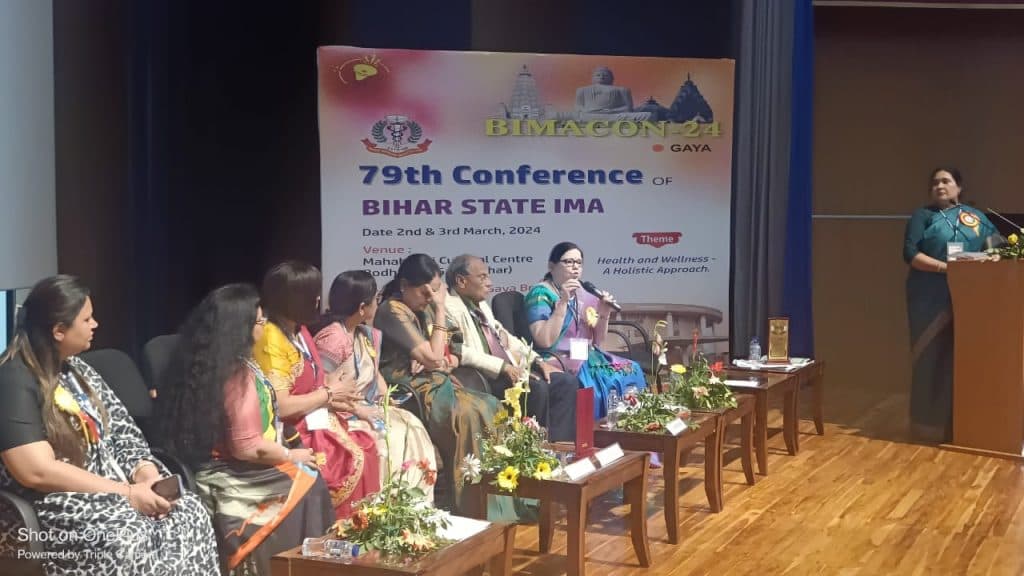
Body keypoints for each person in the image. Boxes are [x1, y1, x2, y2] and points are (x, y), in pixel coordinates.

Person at [0, 275, 218, 575]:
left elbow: (123, 434)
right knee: (125, 535)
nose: (95, 324)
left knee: (189, 512)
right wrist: (126, 493)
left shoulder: (78, 369)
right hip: (51, 507)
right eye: (86, 319)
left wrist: (145, 474)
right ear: (59, 330)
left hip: (110, 491)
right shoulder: (13, 379)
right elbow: (36, 471)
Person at [158, 283, 334, 575]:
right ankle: (295, 567)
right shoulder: (236, 374)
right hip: (231, 473)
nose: (264, 328)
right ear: (240, 329)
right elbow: (247, 447)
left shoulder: (202, 361)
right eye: (260, 322)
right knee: (309, 482)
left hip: (214, 463)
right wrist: (291, 456)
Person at [372, 254, 499, 512]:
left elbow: (451, 348)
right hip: (406, 386)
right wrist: (440, 312)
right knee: (466, 414)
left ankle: (490, 495)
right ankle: (467, 502)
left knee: (491, 405)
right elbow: (431, 357)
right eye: (425, 292)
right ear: (404, 285)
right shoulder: (392, 310)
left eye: (436, 291)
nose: (431, 298)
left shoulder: (424, 305)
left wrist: (446, 359)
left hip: (433, 379)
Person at [252, 261, 379, 518]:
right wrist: (329, 395)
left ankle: (366, 526)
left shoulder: (299, 330)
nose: (319, 300)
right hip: (289, 430)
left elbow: (320, 382)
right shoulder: (271, 337)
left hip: (315, 417)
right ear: (295, 299)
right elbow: (281, 406)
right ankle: (340, 531)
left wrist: (345, 401)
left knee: (368, 442)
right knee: (354, 457)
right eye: (313, 294)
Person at [313, 271, 437, 500]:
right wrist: (360, 410)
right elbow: (320, 390)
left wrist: (385, 397)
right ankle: (385, 505)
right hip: (338, 415)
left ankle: (411, 505)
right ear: (362, 308)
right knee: (392, 437)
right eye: (375, 300)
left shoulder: (364, 334)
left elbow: (374, 372)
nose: (377, 305)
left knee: (410, 425)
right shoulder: (333, 339)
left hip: (365, 407)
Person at [903, 168, 998, 442]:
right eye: (934, 182)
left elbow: (997, 248)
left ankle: (965, 426)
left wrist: (990, 261)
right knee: (931, 357)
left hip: (971, 296)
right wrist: (947, 269)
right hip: (928, 296)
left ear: (959, 187)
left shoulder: (976, 217)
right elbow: (910, 254)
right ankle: (928, 427)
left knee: (965, 358)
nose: (939, 186)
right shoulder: (923, 216)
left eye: (946, 181)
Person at [445, 254, 578, 442]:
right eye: (482, 277)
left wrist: (537, 361)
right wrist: (503, 367)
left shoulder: (481, 305)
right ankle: (534, 447)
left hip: (509, 368)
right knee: (536, 389)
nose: (489, 283)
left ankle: (560, 446)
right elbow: (460, 350)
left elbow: (507, 338)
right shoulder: (448, 306)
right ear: (461, 281)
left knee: (566, 382)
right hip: (484, 376)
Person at [525, 242, 648, 419]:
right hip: (556, 357)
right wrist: (563, 303)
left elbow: (598, 340)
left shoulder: (584, 293)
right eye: (568, 262)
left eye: (579, 262)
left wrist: (604, 312)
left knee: (631, 369)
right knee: (599, 382)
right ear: (551, 266)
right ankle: (595, 430)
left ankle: (627, 426)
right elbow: (544, 340)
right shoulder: (540, 293)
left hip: (587, 355)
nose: (575, 267)